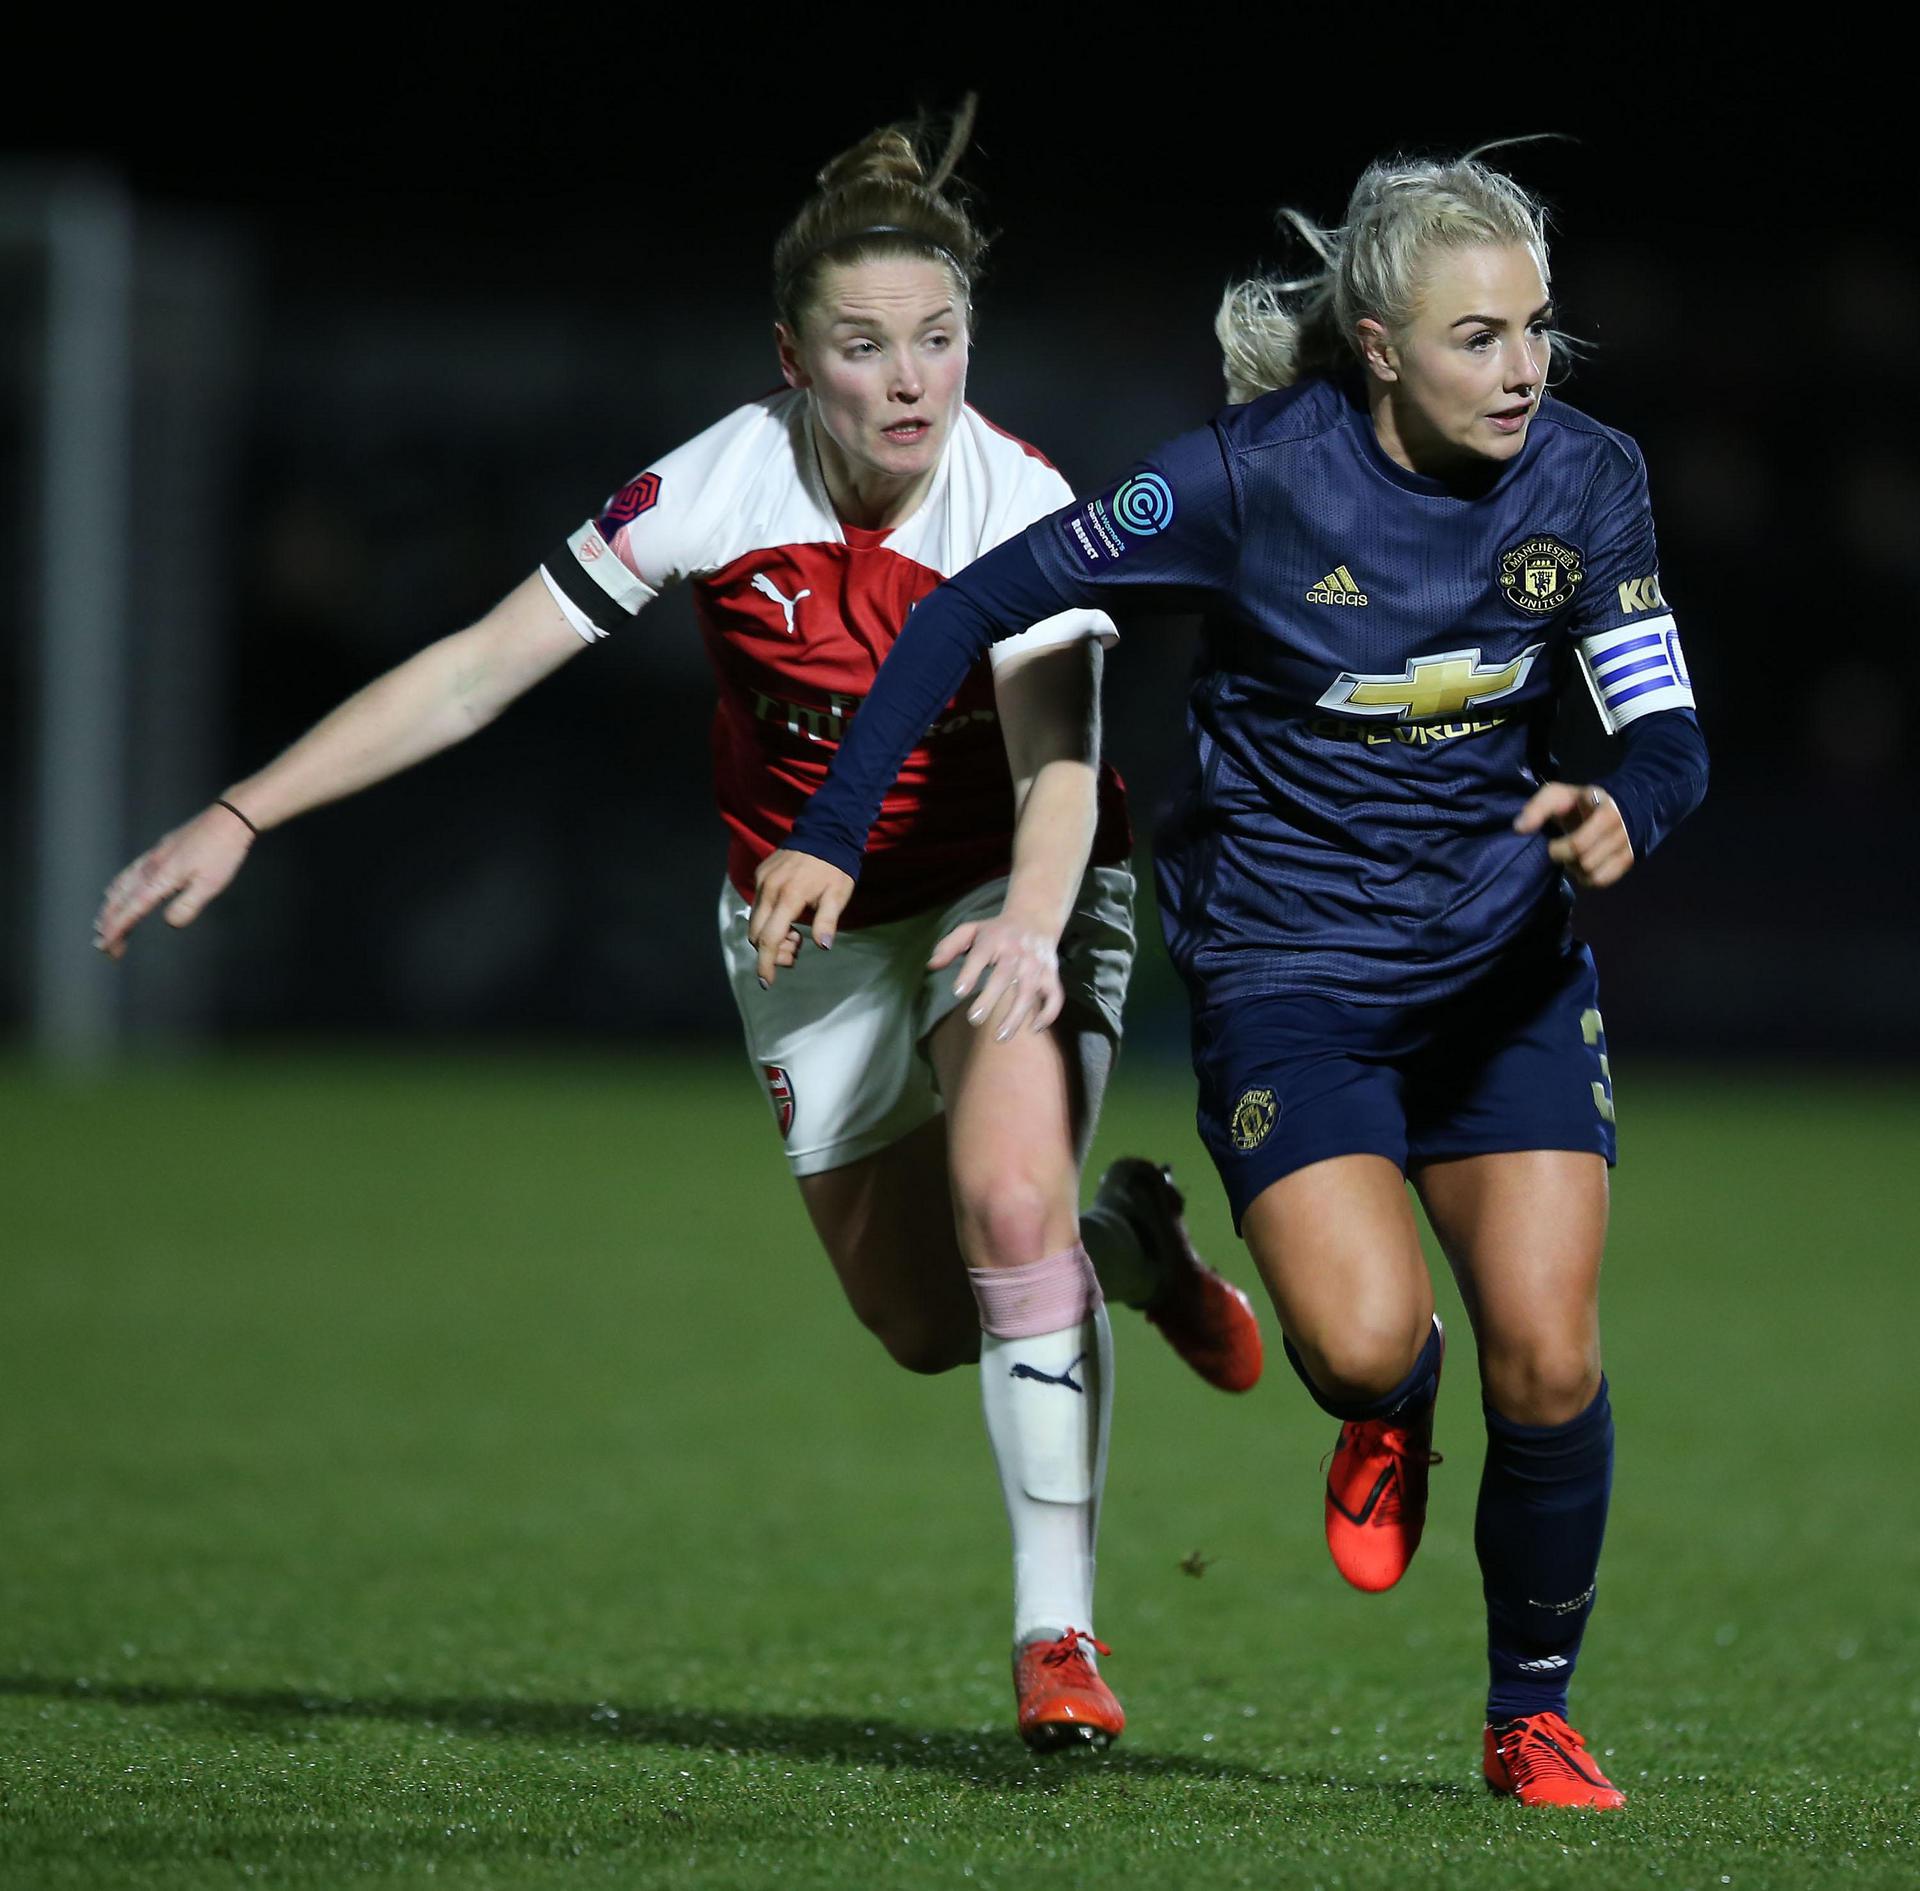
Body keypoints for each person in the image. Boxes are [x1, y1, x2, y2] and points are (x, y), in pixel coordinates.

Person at [91, 104, 1263, 1753]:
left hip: (1018, 878)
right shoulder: (715, 485)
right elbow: (476, 670)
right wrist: (243, 810)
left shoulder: (1018, 499)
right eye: (867, 347)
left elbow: (1063, 771)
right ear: (796, 356)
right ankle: (1132, 1253)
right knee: (926, 1326)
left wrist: (1036, 932)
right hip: (810, 927)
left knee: (1008, 1196)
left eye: (939, 340)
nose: (911, 381)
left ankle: (1056, 1638)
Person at [750, 149, 1709, 1807]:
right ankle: (1385, 1400)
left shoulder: (1591, 477)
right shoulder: (1240, 481)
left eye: (1540, 331)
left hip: (1504, 975)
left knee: (1550, 1360)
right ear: (1381, 346)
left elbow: (1667, 722)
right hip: (1292, 974)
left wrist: (1630, 798)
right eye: (1479, 338)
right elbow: (976, 601)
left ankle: (1527, 1712)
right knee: (1352, 1343)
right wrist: (836, 826)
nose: (1525, 369)